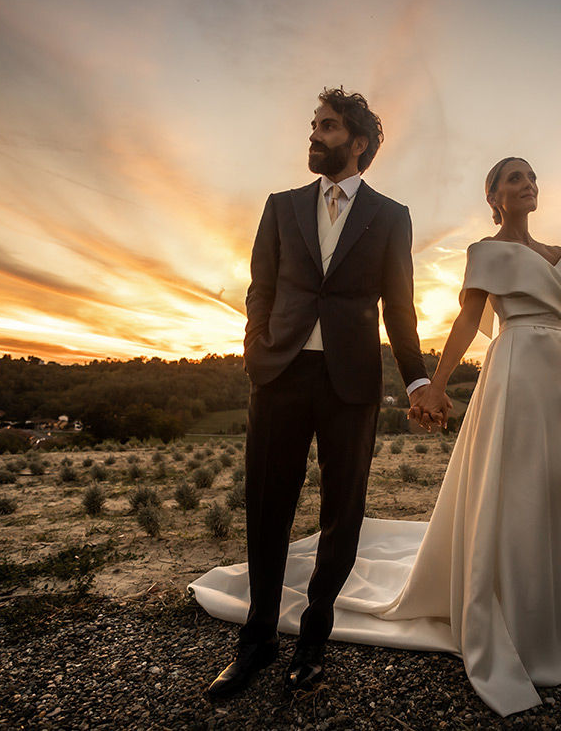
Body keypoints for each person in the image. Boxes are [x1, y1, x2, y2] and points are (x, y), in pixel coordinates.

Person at [191, 156, 561, 716]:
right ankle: (498, 591)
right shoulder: (486, 252)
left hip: (556, 380)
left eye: (532, 177)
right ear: (493, 197)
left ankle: (553, 592)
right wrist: (433, 384)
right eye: (514, 178)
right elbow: (465, 321)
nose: (528, 185)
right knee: (512, 481)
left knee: (554, 483)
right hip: (510, 370)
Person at [203, 88, 441, 698]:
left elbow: (400, 304)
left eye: (328, 127)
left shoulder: (390, 216)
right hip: (279, 373)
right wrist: (256, 348)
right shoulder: (280, 206)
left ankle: (313, 639)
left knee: (343, 511)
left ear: (357, 143)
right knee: (266, 505)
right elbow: (260, 285)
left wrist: (416, 378)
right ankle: (256, 640)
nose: (315, 135)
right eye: (314, 125)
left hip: (352, 382)